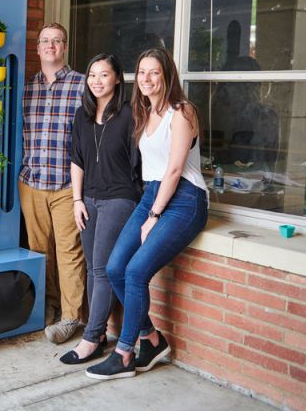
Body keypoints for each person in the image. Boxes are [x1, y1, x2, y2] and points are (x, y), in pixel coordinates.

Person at [86, 47, 208, 380]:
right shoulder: (144, 112)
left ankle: (125, 354)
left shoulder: (182, 112)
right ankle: (151, 339)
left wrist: (152, 217)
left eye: (154, 72)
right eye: (141, 72)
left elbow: (174, 170)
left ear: (167, 75)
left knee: (136, 271)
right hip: (152, 194)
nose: (146, 78)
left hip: (184, 198)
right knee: (114, 268)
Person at [61, 53, 140, 365]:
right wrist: (77, 200)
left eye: (104, 75)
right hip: (88, 199)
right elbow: (77, 159)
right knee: (93, 267)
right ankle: (100, 333)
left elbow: (140, 160)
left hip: (120, 198)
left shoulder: (129, 115)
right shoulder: (82, 115)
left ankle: (91, 339)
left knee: (102, 268)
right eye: (92, 74)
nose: (96, 80)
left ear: (117, 79)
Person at [18, 22, 87, 344]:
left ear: (65, 47)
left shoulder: (82, 85)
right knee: (38, 251)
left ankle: (71, 317)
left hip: (66, 186)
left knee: (69, 252)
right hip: (31, 182)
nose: (50, 46)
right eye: (45, 41)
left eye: (57, 41)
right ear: (37, 48)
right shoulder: (26, 87)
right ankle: (48, 307)